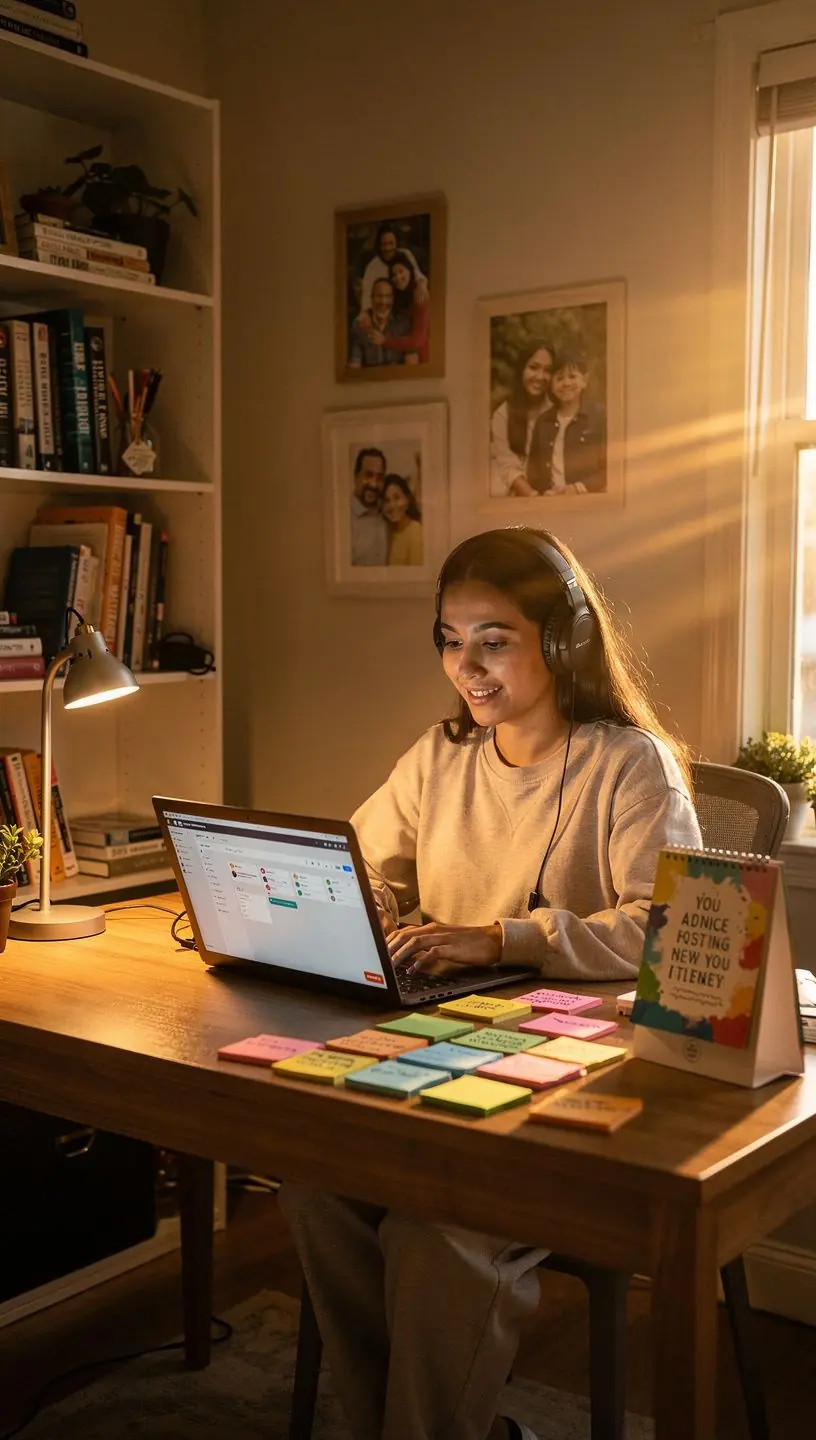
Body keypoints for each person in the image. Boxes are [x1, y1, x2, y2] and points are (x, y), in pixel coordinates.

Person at [279, 526, 702, 1440]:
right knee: (317, 1188)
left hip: (583, 1075)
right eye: (448, 639)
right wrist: (380, 907)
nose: (466, 666)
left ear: (563, 641)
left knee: (438, 1238)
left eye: (494, 640)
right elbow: (360, 859)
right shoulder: (438, 756)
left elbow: (667, 929)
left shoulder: (630, 765)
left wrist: (501, 938)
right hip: (440, 1046)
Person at [526, 350, 607, 495]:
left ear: (585, 381)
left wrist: (578, 488)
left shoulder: (600, 416)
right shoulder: (543, 422)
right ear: (551, 385)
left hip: (589, 502)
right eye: (559, 378)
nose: (566, 383)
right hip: (550, 503)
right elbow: (533, 473)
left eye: (572, 376)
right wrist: (543, 492)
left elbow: (611, 470)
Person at [489, 341, 554, 497]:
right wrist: (534, 498)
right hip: (521, 498)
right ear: (522, 369)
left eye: (547, 370)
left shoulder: (556, 409)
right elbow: (508, 467)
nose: (540, 376)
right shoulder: (503, 414)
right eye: (533, 367)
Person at [359, 250, 429, 364]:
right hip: (400, 357)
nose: (398, 277)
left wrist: (385, 341)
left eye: (401, 271)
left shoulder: (419, 295)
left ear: (410, 271)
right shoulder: (396, 296)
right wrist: (366, 314)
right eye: (394, 275)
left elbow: (418, 340)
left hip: (421, 359)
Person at [359, 221, 428, 311]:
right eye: (384, 244)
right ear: (378, 246)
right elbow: (366, 303)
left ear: (396, 243)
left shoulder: (405, 254)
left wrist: (421, 285)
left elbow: (419, 277)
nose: (388, 248)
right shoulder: (372, 268)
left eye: (391, 243)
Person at [348, 277, 413, 368]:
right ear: (371, 298)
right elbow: (354, 363)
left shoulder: (403, 324)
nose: (383, 301)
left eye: (388, 296)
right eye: (379, 296)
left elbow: (412, 366)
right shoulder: (360, 325)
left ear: (393, 299)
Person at [350, 447, 388, 566]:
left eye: (379, 477)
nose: (373, 483)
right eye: (368, 475)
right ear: (356, 477)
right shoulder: (343, 520)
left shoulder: (388, 513)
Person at [382, 472, 423, 565]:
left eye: (397, 498)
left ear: (407, 499)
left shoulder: (415, 530)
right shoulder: (390, 532)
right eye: (387, 500)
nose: (392, 505)